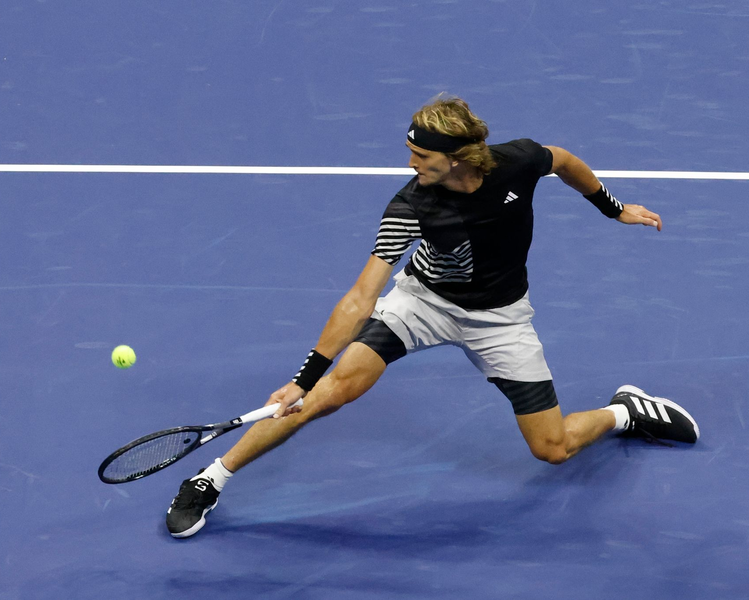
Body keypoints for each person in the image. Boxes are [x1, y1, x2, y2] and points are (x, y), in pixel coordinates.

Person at [165, 95, 700, 538]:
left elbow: (561, 160)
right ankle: (211, 477)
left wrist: (612, 207)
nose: (410, 165)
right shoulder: (411, 206)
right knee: (326, 394)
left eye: (420, 155)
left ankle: (627, 413)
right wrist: (302, 378)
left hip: (501, 319)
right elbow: (360, 297)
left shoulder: (517, 161)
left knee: (553, 448)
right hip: (422, 304)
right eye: (410, 152)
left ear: (462, 156)